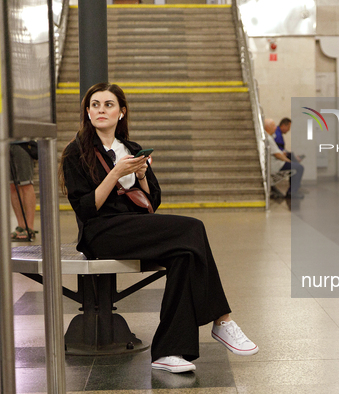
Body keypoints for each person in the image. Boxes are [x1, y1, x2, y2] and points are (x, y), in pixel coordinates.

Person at [59, 83, 258, 374]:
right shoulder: (75, 152)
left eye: (108, 105)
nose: (101, 110)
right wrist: (115, 173)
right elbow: (86, 209)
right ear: (87, 113)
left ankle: (169, 352)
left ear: (121, 112)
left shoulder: (133, 149)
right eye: (95, 105)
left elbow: (153, 202)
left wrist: (140, 175)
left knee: (185, 256)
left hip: (137, 227)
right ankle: (222, 319)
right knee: (193, 228)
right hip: (102, 232)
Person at [264, 118, 304, 199]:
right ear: (267, 127)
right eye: (273, 126)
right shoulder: (269, 138)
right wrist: (288, 161)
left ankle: (292, 190)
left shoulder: (268, 137)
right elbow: (278, 154)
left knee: (295, 165)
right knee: (299, 168)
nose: (275, 127)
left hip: (274, 163)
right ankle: (292, 192)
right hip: (275, 165)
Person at [9, 143, 37, 241]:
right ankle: (21, 225)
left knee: (26, 184)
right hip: (5, 143)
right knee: (12, 186)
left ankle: (29, 227)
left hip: (23, 142)